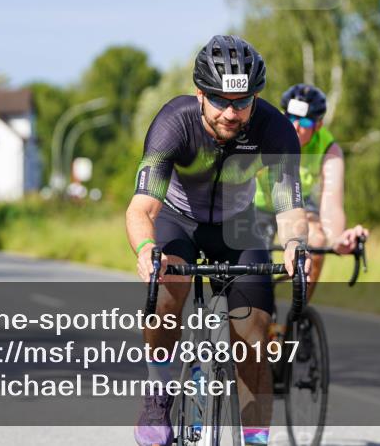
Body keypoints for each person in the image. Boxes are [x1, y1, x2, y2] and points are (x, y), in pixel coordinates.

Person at [126, 35, 310, 446]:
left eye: (242, 102)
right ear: (200, 94)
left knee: (254, 335)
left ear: (255, 98)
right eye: (220, 101)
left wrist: (297, 245)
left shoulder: (274, 128)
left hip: (237, 224)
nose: (231, 112)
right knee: (169, 288)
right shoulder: (174, 122)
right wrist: (146, 250)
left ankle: (256, 439)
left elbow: (289, 208)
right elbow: (141, 209)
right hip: (178, 218)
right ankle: (158, 396)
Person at [255, 84, 368, 297]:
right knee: (255, 263)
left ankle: (298, 313)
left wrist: (337, 238)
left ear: (318, 125)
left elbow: (331, 202)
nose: (296, 126)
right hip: (258, 205)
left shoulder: (328, 147)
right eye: (290, 118)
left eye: (305, 122)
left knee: (316, 241)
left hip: (298, 205)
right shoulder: (266, 134)